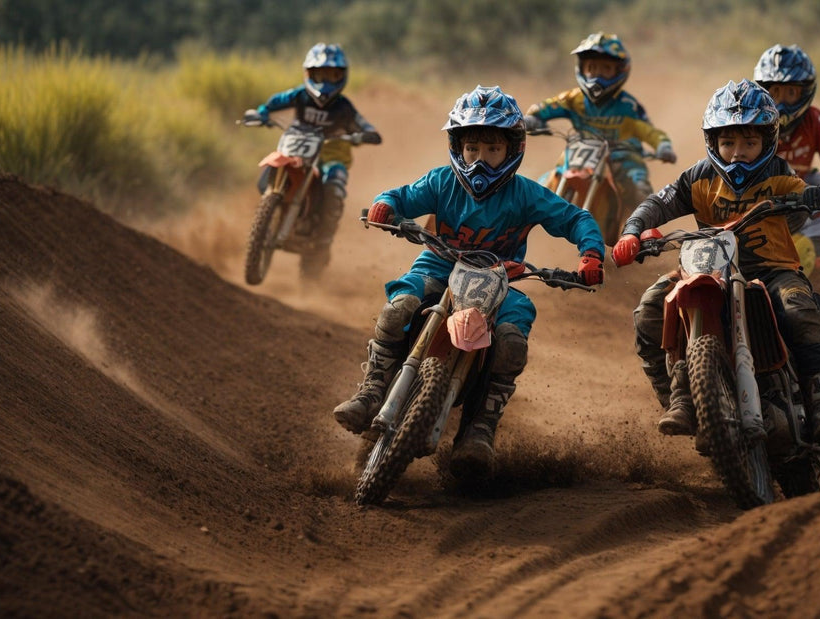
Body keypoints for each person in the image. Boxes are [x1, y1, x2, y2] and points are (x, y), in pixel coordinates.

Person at [333, 85, 606, 475]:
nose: (480, 160)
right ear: (457, 147)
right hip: (438, 265)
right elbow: (402, 195)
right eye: (472, 149)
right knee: (399, 308)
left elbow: (576, 217)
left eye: (492, 150)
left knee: (512, 340)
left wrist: (591, 253)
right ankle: (372, 389)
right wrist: (386, 205)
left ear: (512, 150)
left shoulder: (526, 194)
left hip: (498, 280)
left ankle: (480, 428)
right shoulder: (442, 181)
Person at [611, 79, 820, 449]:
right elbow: (658, 203)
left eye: (749, 143)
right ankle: (680, 398)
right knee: (649, 311)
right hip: (707, 268)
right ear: (713, 142)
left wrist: (816, 196)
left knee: (799, 309)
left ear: (767, 142)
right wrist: (633, 231)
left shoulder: (779, 176)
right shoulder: (698, 177)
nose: (738, 153)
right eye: (728, 143)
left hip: (772, 270)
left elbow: (802, 196)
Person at [754, 44, 820, 370]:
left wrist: (818, 178)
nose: (783, 99)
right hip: (754, 210)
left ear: (806, 91)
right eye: (774, 90)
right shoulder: (747, 119)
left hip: (806, 209)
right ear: (762, 89)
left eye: (791, 91)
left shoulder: (815, 121)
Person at [253, 42, 382, 274]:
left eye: (332, 75)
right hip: (296, 151)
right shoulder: (299, 96)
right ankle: (271, 208)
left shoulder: (344, 107)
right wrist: (261, 114)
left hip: (331, 158)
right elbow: (271, 104)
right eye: (320, 74)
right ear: (309, 73)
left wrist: (366, 134)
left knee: (334, 184)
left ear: (342, 76)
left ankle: (322, 241)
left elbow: (363, 124)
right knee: (271, 169)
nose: (325, 81)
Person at [523, 32, 676, 215]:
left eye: (605, 68)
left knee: (638, 188)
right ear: (581, 68)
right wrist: (533, 118)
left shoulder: (628, 107)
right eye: (591, 67)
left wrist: (663, 146)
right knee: (545, 182)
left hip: (622, 157)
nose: (597, 75)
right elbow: (546, 107)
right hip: (579, 151)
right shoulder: (573, 99)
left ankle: (649, 232)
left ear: (619, 71)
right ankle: (519, 219)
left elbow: (651, 132)